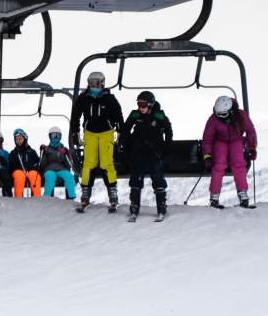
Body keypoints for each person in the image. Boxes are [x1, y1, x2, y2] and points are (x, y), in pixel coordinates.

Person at [70, 71, 124, 213]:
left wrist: (120, 132)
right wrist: (75, 132)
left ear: (102, 83)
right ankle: (86, 193)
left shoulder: (109, 99)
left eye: (96, 83)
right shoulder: (84, 98)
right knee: (88, 164)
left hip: (106, 133)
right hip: (90, 133)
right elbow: (75, 115)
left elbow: (118, 115)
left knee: (107, 163)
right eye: (91, 82)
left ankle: (113, 193)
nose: (94, 85)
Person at [119, 91, 173, 223]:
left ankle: (161, 207)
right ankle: (134, 207)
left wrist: (166, 147)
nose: (140, 107)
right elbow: (125, 130)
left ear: (150, 104)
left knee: (158, 179)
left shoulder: (159, 116)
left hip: (155, 153)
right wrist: (125, 147)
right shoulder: (135, 114)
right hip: (138, 153)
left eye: (143, 104)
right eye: (139, 104)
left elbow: (168, 130)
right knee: (136, 181)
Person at [201, 95, 259, 209]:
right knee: (218, 165)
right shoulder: (213, 120)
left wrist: (252, 148)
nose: (220, 117)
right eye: (218, 114)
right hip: (220, 141)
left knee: (239, 164)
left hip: (236, 140)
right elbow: (207, 138)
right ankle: (214, 197)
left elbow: (250, 131)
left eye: (223, 115)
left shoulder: (241, 116)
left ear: (231, 111)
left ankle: (243, 194)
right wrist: (207, 155)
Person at [39, 129, 79, 201]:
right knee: (50, 177)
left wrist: (67, 154)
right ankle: (47, 197)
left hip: (61, 169)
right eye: (53, 135)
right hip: (49, 169)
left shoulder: (63, 149)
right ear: (50, 137)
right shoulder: (47, 149)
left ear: (60, 137)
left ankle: (70, 197)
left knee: (69, 176)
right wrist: (43, 153)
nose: (55, 137)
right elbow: (42, 164)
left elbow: (68, 164)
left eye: (57, 135)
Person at [3, 129, 42, 198]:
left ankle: (36, 197)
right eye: (16, 139)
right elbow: (11, 166)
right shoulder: (13, 153)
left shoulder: (31, 152)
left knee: (35, 175)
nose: (18, 141)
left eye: (20, 139)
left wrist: (32, 168)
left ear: (25, 139)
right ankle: (18, 198)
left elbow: (37, 163)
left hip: (30, 171)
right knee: (19, 175)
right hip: (18, 171)